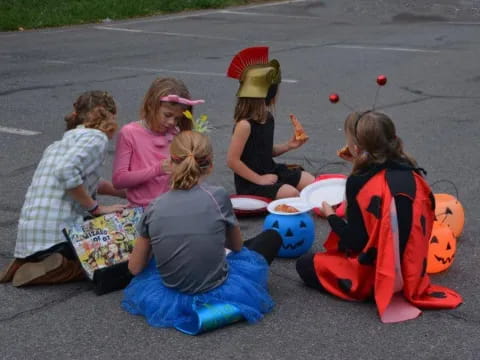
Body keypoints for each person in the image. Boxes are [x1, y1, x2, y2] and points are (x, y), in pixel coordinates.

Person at [296, 110, 462, 322]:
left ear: (356, 148)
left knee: (305, 264)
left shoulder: (359, 182)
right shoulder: (413, 173)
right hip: (413, 270)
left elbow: (355, 241)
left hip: (376, 273)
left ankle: (370, 290)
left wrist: (331, 216)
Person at [122, 131, 282, 328]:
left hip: (171, 293)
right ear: (210, 165)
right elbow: (237, 246)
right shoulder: (218, 196)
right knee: (272, 236)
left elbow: (135, 267)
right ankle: (226, 307)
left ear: (171, 163)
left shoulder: (154, 206)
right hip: (220, 286)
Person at [0, 91, 126, 287]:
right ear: (109, 115)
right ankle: (58, 267)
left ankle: (27, 260)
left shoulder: (61, 143)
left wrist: (121, 191)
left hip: (32, 237)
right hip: (58, 236)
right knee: (110, 258)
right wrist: (96, 208)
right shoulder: (96, 138)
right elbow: (66, 172)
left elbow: (85, 181)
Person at [226, 46, 314, 200]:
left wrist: (289, 145)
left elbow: (263, 152)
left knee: (311, 183)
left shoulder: (267, 117)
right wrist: (259, 179)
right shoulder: (244, 125)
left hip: (271, 170)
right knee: (292, 194)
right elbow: (232, 161)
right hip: (251, 182)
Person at [112, 77, 204, 208]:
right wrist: (157, 170)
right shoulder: (129, 133)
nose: (172, 122)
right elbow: (119, 180)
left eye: (177, 118)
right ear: (151, 105)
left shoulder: (176, 133)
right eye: (167, 115)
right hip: (143, 209)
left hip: (174, 206)